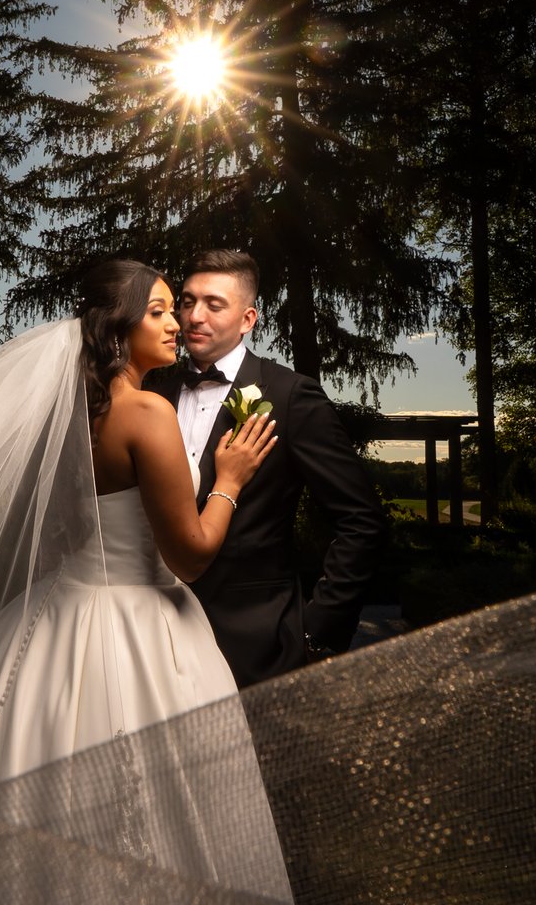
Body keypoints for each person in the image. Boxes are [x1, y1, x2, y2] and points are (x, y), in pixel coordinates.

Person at [0, 259, 278, 801]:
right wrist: (228, 481)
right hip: (141, 626)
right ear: (118, 326)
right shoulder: (146, 412)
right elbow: (189, 557)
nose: (176, 324)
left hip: (55, 613)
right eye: (158, 311)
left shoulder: (67, 413)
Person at [147, 250, 390, 685]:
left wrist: (316, 631)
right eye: (186, 301)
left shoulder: (291, 395)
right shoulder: (153, 396)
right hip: (149, 637)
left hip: (254, 643)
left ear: (247, 319)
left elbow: (361, 520)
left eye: (214, 304)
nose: (193, 316)